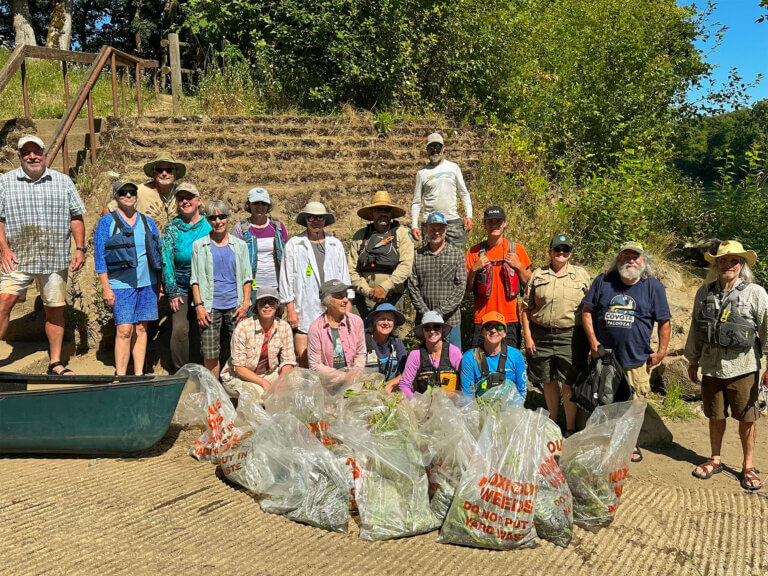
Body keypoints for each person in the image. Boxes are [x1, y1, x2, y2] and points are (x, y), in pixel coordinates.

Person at [685, 241, 768, 490]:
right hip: (711, 367)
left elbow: (767, 329)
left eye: (734, 260)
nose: (728, 264)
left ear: (741, 265)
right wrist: (693, 360)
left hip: (743, 368)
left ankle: (748, 466)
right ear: (716, 264)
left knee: (747, 418)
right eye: (723, 260)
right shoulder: (704, 293)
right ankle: (715, 458)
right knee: (715, 415)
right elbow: (695, 330)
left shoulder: (756, 293)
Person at [0, 135, 86, 375]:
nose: (32, 156)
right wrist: (4, 250)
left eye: (36, 152)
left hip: (54, 258)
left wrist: (80, 249)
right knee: (4, 302)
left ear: (45, 155)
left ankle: (55, 362)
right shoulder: (5, 182)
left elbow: (76, 217)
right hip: (18, 257)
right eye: (26, 153)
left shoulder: (63, 181)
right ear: (19, 157)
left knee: (55, 308)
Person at [582, 241, 671, 463]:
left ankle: (630, 444)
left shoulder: (653, 287)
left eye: (635, 257)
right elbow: (586, 312)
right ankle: (604, 443)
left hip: (636, 360)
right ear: (618, 259)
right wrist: (593, 342)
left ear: (643, 260)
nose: (631, 261)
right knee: (603, 403)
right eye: (626, 256)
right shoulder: (603, 282)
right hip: (605, 360)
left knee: (633, 406)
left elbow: (664, 322)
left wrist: (661, 352)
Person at [521, 235, 591, 434]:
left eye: (565, 250)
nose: (561, 253)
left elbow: (591, 308)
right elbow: (526, 308)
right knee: (547, 380)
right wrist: (528, 336)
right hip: (541, 336)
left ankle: (569, 427)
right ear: (550, 252)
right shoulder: (538, 274)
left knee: (568, 382)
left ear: (570, 253)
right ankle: (553, 421)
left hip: (570, 336)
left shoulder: (581, 275)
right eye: (557, 249)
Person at [94, 182, 162, 375]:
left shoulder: (148, 222)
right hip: (120, 285)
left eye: (132, 192)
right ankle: (121, 376)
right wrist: (106, 288)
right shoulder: (107, 222)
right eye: (123, 192)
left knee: (141, 328)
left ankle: (139, 373)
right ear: (116, 196)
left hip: (147, 284)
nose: (128, 195)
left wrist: (160, 283)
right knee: (124, 330)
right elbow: (100, 258)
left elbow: (157, 253)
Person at [279, 201, 352, 367]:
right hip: (305, 307)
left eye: (319, 218)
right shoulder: (294, 244)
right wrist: (290, 309)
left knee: (333, 352)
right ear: (305, 220)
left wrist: (347, 305)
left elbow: (344, 276)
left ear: (325, 220)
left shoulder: (336, 245)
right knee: (303, 353)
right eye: (311, 218)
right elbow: (286, 278)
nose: (315, 221)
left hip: (333, 305)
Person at [190, 200, 252, 379]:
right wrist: (199, 306)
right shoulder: (199, 246)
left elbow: (247, 278)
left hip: (235, 305)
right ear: (208, 220)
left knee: (240, 352)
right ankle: (214, 393)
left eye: (222, 217)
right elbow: (195, 280)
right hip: (209, 306)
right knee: (210, 354)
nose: (218, 221)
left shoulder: (239, 246)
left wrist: (245, 304)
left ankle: (238, 390)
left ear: (228, 218)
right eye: (213, 218)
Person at [466, 206, 532, 348]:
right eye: (490, 222)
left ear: (504, 223)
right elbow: (468, 288)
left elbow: (529, 284)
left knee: (508, 363)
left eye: (498, 222)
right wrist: (474, 269)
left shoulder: (517, 249)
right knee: (480, 363)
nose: (494, 225)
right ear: (484, 224)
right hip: (482, 318)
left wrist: (519, 265)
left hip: (509, 318)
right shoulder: (473, 252)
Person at [161, 182, 211, 370]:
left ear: (198, 201)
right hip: (181, 284)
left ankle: (206, 369)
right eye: (180, 198)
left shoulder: (208, 225)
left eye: (189, 197)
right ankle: (181, 371)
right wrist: (172, 291)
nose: (185, 201)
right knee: (180, 328)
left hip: (205, 284)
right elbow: (166, 259)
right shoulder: (172, 229)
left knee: (205, 325)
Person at [221, 286, 296, 400]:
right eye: (262, 302)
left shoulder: (284, 327)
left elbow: (288, 360)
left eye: (271, 302)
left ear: (277, 305)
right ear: (256, 306)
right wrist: (262, 382)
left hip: (270, 373)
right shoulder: (243, 327)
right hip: (239, 377)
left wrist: (281, 381)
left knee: (294, 385)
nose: (267, 306)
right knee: (261, 395)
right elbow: (239, 368)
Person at [348, 190, 414, 319]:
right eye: (378, 209)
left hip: (392, 297)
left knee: (391, 335)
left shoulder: (402, 234)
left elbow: (406, 266)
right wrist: (368, 291)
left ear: (391, 214)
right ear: (371, 213)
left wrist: (384, 288)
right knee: (361, 336)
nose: (383, 213)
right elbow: (351, 270)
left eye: (387, 210)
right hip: (363, 298)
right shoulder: (360, 235)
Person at [408, 211, 467, 349]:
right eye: (432, 228)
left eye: (440, 228)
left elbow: (460, 287)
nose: (436, 232)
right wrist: (427, 313)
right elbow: (413, 287)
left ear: (446, 230)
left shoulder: (457, 254)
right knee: (426, 362)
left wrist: (439, 312)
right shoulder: (417, 256)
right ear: (426, 230)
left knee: (453, 361)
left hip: (450, 320)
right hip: (424, 322)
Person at [411, 132, 473, 248]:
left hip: (452, 220)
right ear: (427, 150)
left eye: (438, 146)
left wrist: (469, 215)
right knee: (430, 258)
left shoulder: (453, 168)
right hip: (430, 222)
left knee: (461, 254)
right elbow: (416, 202)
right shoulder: (422, 173)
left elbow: (463, 193)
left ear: (444, 148)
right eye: (431, 147)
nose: (435, 150)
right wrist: (414, 225)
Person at [231, 187, 288, 299]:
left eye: (264, 203)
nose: (260, 207)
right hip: (251, 286)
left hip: (275, 284)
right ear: (249, 204)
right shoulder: (240, 228)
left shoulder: (277, 226)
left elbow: (287, 254)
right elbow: (233, 258)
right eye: (256, 203)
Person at [104, 153, 185, 231]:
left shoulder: (183, 192)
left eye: (169, 170)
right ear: (153, 173)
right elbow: (108, 210)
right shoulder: (138, 192)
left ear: (175, 172)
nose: (164, 173)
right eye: (159, 170)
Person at [461, 311, 528, 398]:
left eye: (499, 327)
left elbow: (522, 390)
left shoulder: (516, 356)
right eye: (488, 327)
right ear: (482, 332)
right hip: (480, 407)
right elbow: (467, 394)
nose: (493, 330)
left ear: (504, 333)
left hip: (510, 407)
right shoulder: (470, 357)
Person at [307, 279, 366, 378]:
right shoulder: (316, 328)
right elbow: (315, 365)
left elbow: (360, 354)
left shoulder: (356, 322)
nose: (346, 300)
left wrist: (355, 374)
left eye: (346, 295)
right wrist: (342, 376)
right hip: (328, 383)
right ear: (327, 301)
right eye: (340, 297)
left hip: (353, 380)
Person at [398, 311, 462, 398]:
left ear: (442, 329)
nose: (432, 331)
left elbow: (465, 382)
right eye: (427, 328)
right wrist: (416, 403)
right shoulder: (415, 354)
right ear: (423, 331)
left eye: (436, 327)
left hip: (452, 405)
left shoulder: (454, 352)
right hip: (424, 406)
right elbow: (404, 384)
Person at [364, 303, 408, 392]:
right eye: (382, 319)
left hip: (389, 390)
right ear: (374, 321)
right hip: (365, 390)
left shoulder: (397, 343)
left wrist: (391, 383)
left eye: (390, 320)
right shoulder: (362, 341)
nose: (386, 323)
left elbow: (407, 371)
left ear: (394, 323)